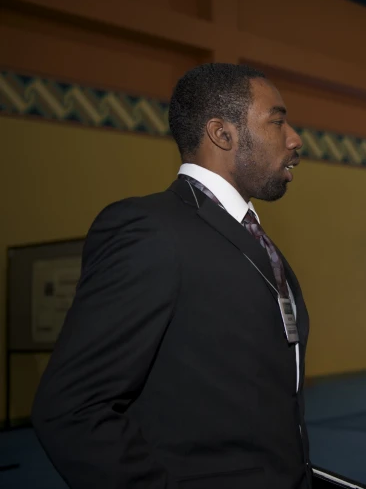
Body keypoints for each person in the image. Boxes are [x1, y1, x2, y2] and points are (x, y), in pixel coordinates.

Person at [31, 63, 312, 488]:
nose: (295, 139)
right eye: (277, 121)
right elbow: (73, 408)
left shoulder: (250, 237)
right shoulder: (152, 231)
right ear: (223, 134)